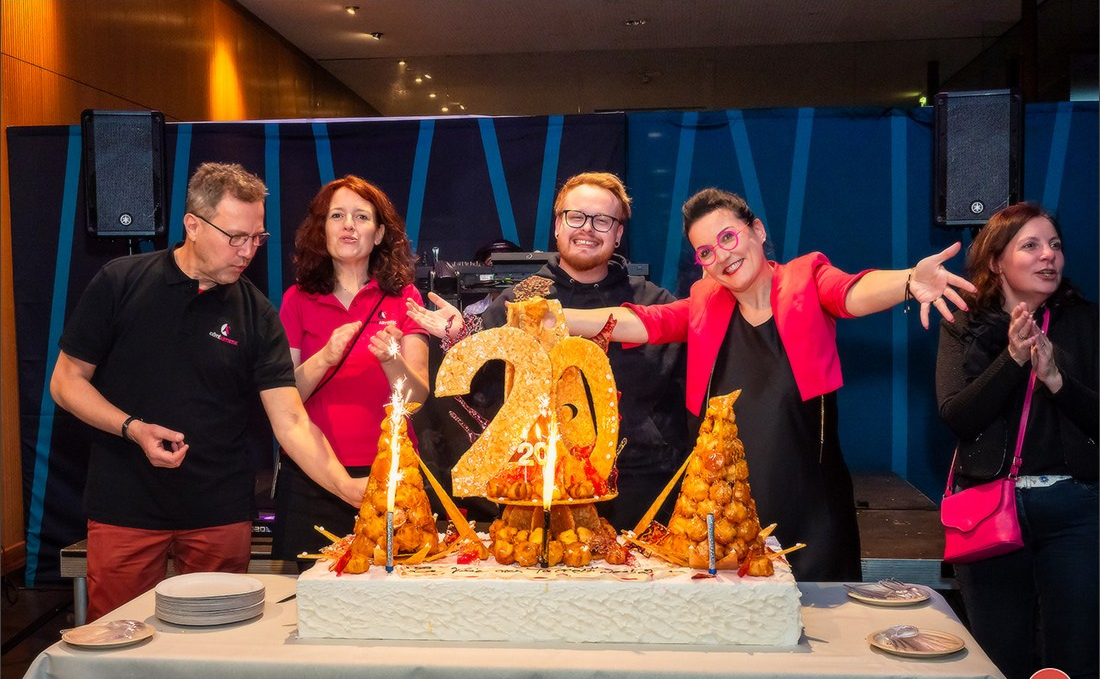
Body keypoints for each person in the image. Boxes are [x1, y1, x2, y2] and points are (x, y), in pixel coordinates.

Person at [553, 187, 974, 581]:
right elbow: (643, 321)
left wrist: (907, 281)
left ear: (757, 231)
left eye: (728, 238)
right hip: (724, 521)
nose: (721, 256)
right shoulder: (705, 302)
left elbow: (851, 292)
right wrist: (557, 317)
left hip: (810, 509)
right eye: (706, 251)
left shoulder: (805, 281)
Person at [49, 162, 369, 621]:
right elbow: (66, 381)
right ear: (193, 225)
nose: (247, 251)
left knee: (219, 640)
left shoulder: (256, 312)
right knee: (119, 640)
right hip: (125, 506)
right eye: (235, 236)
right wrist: (132, 429)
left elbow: (291, 418)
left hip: (220, 509)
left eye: (257, 238)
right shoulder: (121, 282)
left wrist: (344, 486)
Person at [410, 172, 692, 532]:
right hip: (536, 487)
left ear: (618, 233)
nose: (587, 229)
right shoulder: (519, 299)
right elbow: (479, 391)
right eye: (576, 217)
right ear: (558, 225)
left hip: (639, 486)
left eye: (602, 220)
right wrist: (460, 338)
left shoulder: (651, 301)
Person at [935, 202, 1097, 679]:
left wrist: (1056, 379)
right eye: (1031, 245)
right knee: (1002, 660)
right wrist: (1013, 360)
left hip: (1073, 512)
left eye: (1055, 244)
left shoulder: (1084, 322)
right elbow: (958, 416)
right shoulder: (964, 324)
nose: (1049, 255)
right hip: (990, 514)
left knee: (1073, 663)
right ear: (996, 260)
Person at [270, 175, 429, 565]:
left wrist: (392, 359)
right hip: (313, 478)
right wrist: (324, 356)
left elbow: (418, 398)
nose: (348, 225)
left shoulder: (405, 297)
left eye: (361, 217)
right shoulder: (296, 300)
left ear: (377, 235)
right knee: (307, 606)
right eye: (337, 215)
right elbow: (286, 399)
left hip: (390, 477)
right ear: (321, 230)